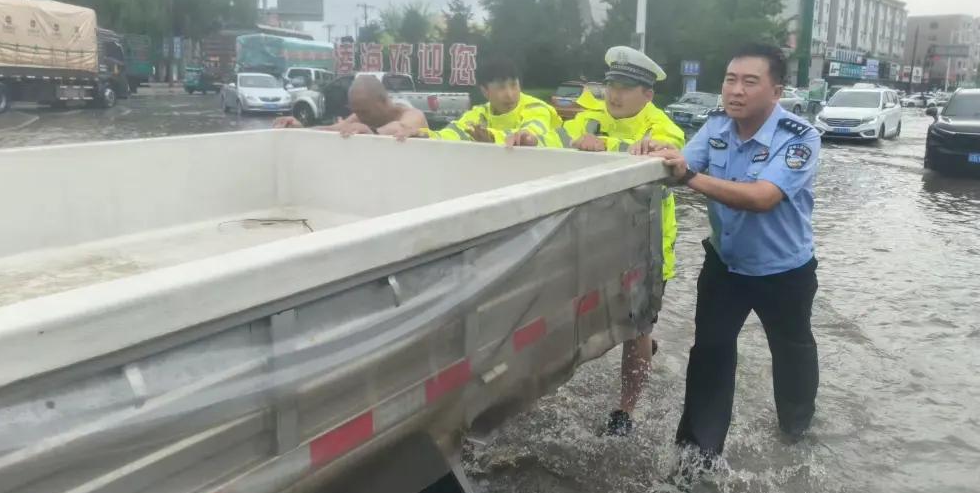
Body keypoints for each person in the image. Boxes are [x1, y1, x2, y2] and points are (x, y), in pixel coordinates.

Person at [650, 43, 821, 479]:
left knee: (792, 349)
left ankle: (796, 428)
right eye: (730, 79)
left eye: (749, 81)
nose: (735, 90)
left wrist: (689, 176)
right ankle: (696, 458)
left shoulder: (800, 138)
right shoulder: (717, 127)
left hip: (784, 272)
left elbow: (763, 198)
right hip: (725, 266)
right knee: (709, 353)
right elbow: (680, 164)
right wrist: (655, 155)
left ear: (776, 91)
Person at [558, 46, 685, 436]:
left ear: (647, 95)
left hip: (643, 249)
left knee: (636, 330)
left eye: (627, 87)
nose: (614, 94)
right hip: (595, 245)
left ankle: (625, 410)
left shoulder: (663, 127)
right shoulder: (587, 118)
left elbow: (662, 158)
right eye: (611, 84)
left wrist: (602, 149)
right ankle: (645, 349)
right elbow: (551, 143)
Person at [418, 58, 563, 147]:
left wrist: (493, 138)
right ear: (485, 91)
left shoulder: (537, 107)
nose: (510, 94)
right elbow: (454, 132)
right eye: (501, 87)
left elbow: (529, 133)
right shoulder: (480, 113)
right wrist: (424, 135)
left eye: (514, 85)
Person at [273, 74, 428, 137]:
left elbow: (399, 128)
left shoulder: (413, 115)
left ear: (383, 101)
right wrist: (300, 129)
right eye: (357, 112)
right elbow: (334, 129)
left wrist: (372, 132)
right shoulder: (362, 116)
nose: (361, 117)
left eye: (365, 111)